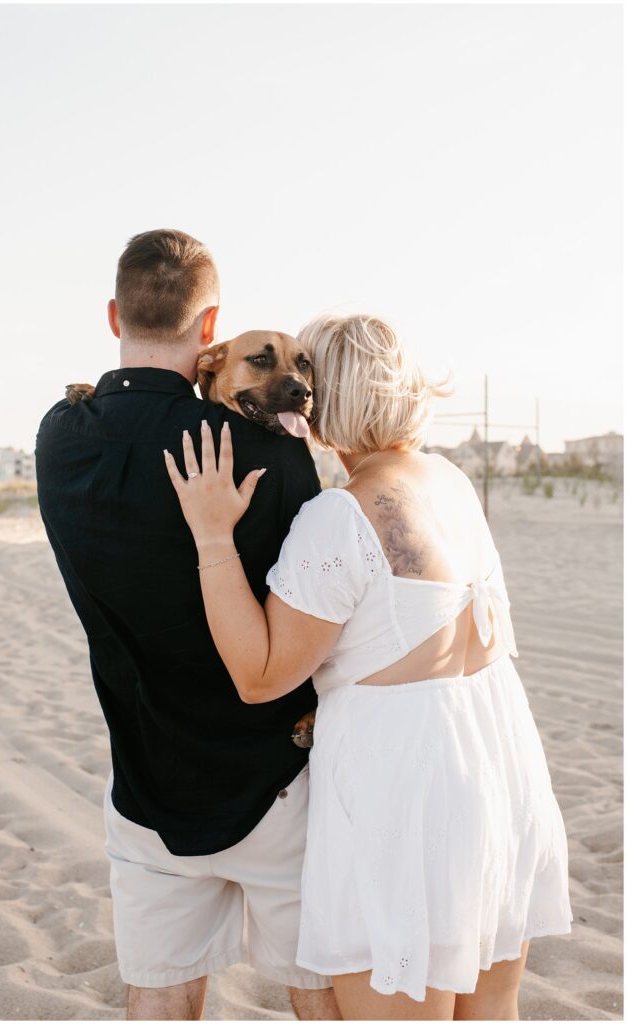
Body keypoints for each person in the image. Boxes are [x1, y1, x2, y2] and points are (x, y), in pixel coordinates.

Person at [164, 312, 573, 1021]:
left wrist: (211, 535)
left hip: (404, 795)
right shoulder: (450, 482)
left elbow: (261, 676)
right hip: (500, 770)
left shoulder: (340, 518)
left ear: (331, 403)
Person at [36, 229, 340, 1021]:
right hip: (275, 778)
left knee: (161, 995)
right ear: (211, 331)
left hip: (143, 782)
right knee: (319, 992)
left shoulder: (59, 437)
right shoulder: (268, 455)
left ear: (114, 315)